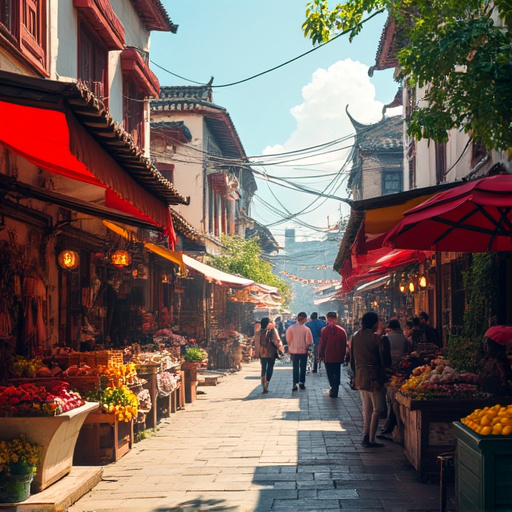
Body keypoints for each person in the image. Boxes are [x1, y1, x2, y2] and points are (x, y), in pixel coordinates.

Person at [350, 311, 392, 448]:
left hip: (360, 376)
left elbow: (351, 359)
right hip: (375, 377)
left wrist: (355, 374)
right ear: (374, 323)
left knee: (367, 408)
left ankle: (365, 435)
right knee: (378, 408)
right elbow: (386, 361)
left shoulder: (355, 337)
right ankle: (371, 438)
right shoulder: (379, 339)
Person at [378, 319, 411, 437]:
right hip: (402, 369)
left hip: (389, 369)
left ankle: (390, 421)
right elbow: (408, 353)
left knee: (390, 395)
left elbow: (382, 354)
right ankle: (392, 422)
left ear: (389, 327)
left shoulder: (386, 338)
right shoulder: (405, 339)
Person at [318, 311, 347, 398]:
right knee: (337, 372)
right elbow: (344, 344)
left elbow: (322, 344)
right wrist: (343, 355)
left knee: (330, 373)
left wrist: (320, 354)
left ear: (327, 319)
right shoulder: (342, 331)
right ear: (336, 319)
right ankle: (336, 388)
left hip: (328, 356)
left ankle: (333, 387)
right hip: (338, 356)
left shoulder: (325, 330)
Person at [478, 326, 512, 396]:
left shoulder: (500, 360)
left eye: (488, 345)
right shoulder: (489, 360)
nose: (486, 348)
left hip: (499, 395)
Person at [255, 317, 284, 394]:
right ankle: (267, 382)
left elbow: (256, 343)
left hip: (262, 352)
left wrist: (257, 353)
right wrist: (280, 349)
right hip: (271, 352)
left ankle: (263, 383)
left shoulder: (258, 332)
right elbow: (276, 341)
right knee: (270, 367)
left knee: (263, 368)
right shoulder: (273, 331)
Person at [286, 312, 313, 391]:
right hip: (303, 351)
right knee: (303, 367)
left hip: (294, 351)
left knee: (295, 367)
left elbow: (288, 340)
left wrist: (290, 349)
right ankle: (302, 382)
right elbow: (309, 341)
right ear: (304, 319)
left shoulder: (291, 328)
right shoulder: (306, 329)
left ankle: (294, 384)